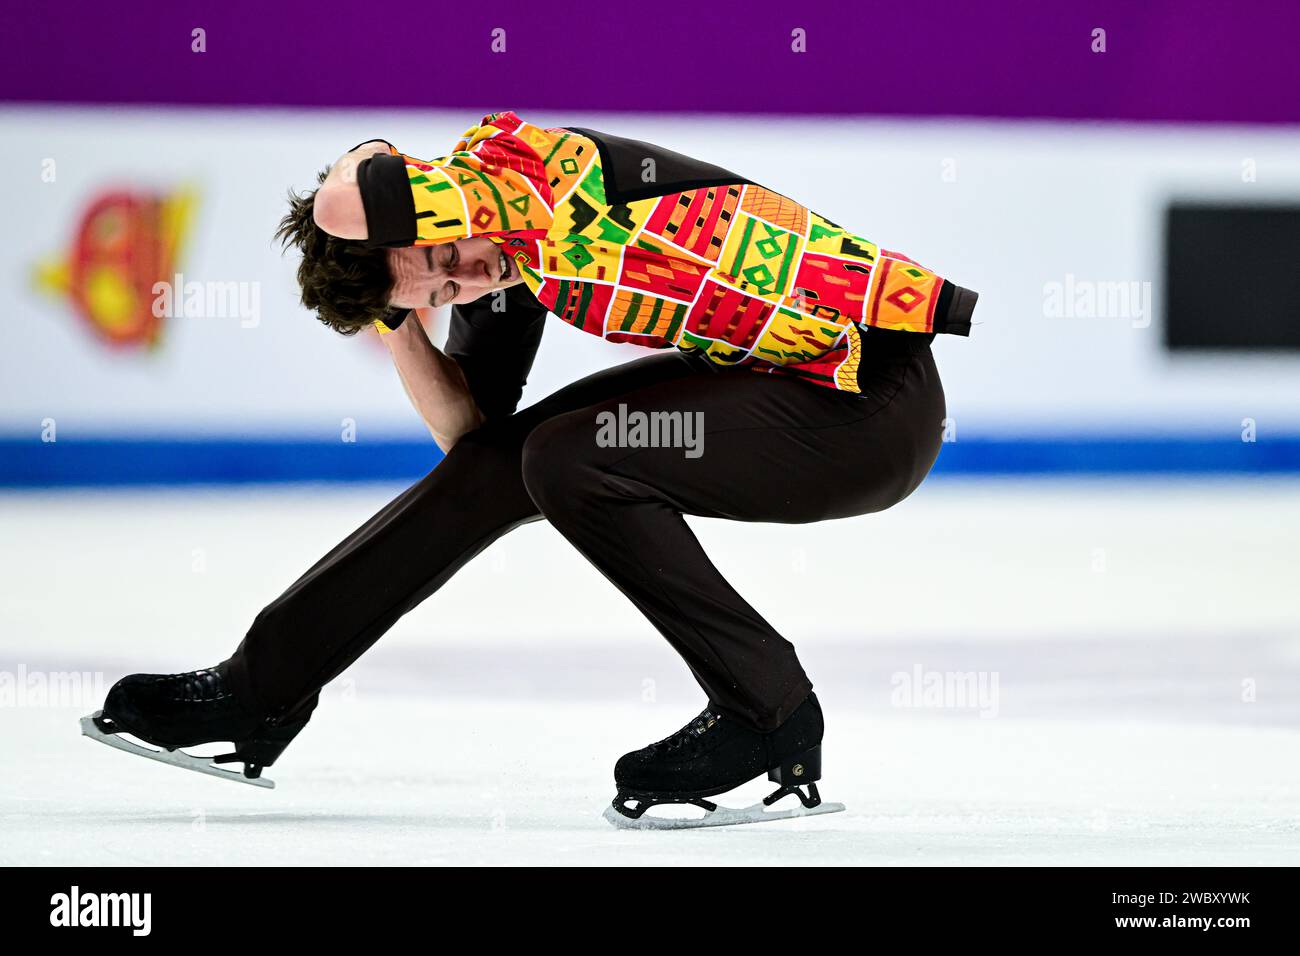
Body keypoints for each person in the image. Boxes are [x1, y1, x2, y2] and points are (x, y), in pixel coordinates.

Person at [85, 111, 977, 827]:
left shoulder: (541, 193)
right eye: (443, 292)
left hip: (868, 407)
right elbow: (471, 444)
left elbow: (375, 190)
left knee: (569, 459)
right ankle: (260, 689)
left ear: (437, 208)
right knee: (514, 463)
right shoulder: (491, 230)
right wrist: (392, 312)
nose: (468, 276)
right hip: (784, 376)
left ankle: (766, 710)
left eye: (444, 261)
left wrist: (374, 189)